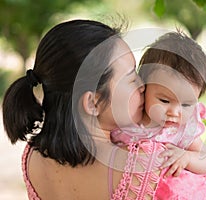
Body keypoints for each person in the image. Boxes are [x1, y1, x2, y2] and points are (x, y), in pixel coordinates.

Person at [2, 19, 165, 199]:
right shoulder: (143, 163)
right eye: (131, 77)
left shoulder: (32, 158)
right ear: (93, 104)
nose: (142, 85)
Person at [111, 32, 206, 199]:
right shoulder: (131, 120)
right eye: (165, 100)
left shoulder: (183, 129)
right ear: (144, 87)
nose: (174, 112)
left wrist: (187, 157)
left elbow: (205, 160)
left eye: (187, 104)